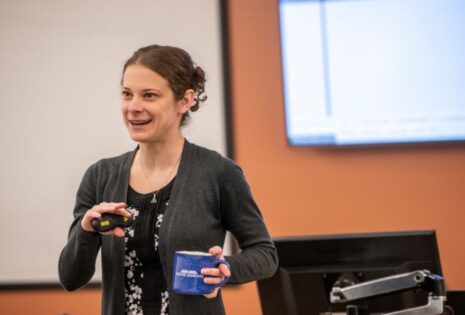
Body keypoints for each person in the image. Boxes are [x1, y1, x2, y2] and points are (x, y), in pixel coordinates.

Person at [58, 44, 278, 315]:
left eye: (149, 95)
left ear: (184, 101)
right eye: (127, 94)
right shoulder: (100, 175)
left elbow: (265, 254)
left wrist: (226, 269)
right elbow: (70, 278)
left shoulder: (218, 173)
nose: (133, 107)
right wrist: (86, 230)